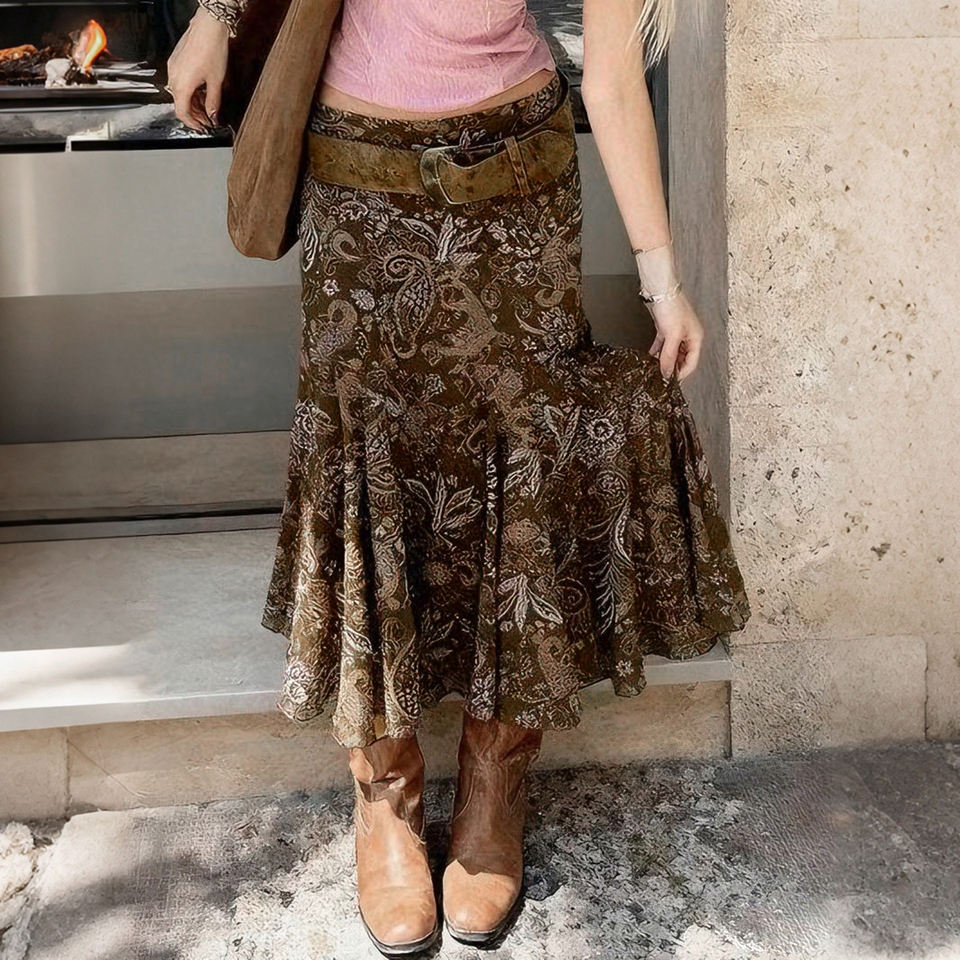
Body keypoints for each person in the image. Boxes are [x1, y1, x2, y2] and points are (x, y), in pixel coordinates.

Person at [166, 1, 751, 954]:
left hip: (516, 182)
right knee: (361, 456)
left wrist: (662, 282)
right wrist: (216, 14)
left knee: (521, 460)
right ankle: (385, 790)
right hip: (357, 172)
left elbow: (611, 78)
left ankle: (496, 774)